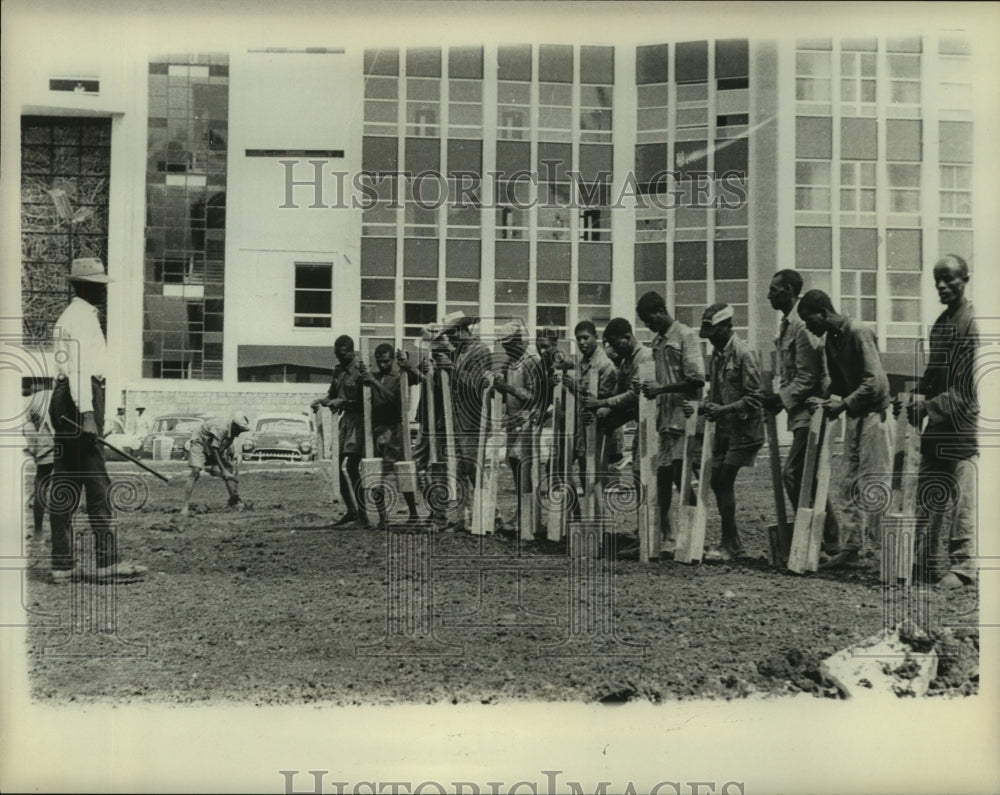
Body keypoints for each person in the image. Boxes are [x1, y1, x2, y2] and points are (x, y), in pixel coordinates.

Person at [48, 257, 147, 583]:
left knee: (66, 480)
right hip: (80, 400)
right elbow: (79, 371)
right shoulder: (81, 318)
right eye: (99, 285)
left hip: (67, 400)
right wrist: (88, 415)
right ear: (84, 286)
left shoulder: (71, 316)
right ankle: (107, 562)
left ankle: (62, 565)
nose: (103, 291)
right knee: (97, 482)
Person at [798, 289, 892, 568]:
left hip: (876, 415)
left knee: (875, 483)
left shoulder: (858, 331)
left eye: (809, 319)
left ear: (823, 313)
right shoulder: (831, 341)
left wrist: (843, 404)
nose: (808, 326)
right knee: (847, 483)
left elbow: (874, 381)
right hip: (855, 416)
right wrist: (825, 400)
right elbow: (839, 384)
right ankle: (850, 549)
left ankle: (887, 552)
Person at [908, 255, 978, 589]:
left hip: (962, 427)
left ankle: (964, 569)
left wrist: (926, 407)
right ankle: (924, 563)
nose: (941, 285)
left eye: (948, 279)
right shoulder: (940, 323)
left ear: (965, 279)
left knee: (963, 499)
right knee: (928, 495)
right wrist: (913, 396)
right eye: (937, 279)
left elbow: (965, 390)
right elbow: (933, 376)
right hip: (937, 426)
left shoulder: (971, 323)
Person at [761, 269, 837, 550]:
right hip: (799, 412)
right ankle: (827, 537)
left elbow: (809, 377)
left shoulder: (802, 326)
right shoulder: (788, 324)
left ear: (790, 290)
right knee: (806, 476)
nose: (769, 295)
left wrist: (780, 400)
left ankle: (825, 537)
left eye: (775, 289)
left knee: (794, 474)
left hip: (812, 411)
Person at [635, 291, 706, 557]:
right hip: (663, 420)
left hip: (683, 417)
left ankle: (693, 537)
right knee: (662, 478)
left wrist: (662, 389)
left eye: (649, 319)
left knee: (682, 477)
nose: (648, 325)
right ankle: (666, 536)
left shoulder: (685, 336)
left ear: (661, 310)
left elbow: (697, 379)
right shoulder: (657, 343)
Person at [692, 304, 764, 561]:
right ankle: (732, 543)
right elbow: (715, 393)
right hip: (724, 430)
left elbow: (755, 398)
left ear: (727, 327)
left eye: (713, 331)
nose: (709, 337)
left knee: (723, 480)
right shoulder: (718, 355)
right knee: (716, 480)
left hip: (745, 429)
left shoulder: (744, 353)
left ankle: (730, 543)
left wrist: (723, 410)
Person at [581, 317, 654, 555]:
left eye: (615, 343)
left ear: (628, 337)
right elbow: (623, 400)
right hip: (639, 422)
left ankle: (652, 535)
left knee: (649, 479)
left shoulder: (643, 357)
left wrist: (602, 403)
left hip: (653, 425)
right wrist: (608, 417)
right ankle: (645, 531)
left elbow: (633, 396)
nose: (613, 348)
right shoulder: (625, 361)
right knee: (637, 477)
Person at [434, 312, 491, 532]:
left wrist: (452, 369)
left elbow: (477, 385)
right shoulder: (458, 352)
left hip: (473, 420)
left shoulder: (480, 351)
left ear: (460, 331)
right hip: (457, 420)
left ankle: (487, 516)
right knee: (458, 469)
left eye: (450, 334)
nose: (449, 339)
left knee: (474, 468)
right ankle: (463, 518)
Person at [559, 320, 618, 520]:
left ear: (596, 338)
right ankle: (582, 518)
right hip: (582, 427)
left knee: (595, 476)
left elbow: (602, 399)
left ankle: (600, 523)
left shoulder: (604, 364)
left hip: (599, 428)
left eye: (586, 338)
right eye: (578, 339)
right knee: (582, 472)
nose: (582, 342)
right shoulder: (583, 361)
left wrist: (576, 388)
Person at [492, 320, 546, 535]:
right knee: (514, 467)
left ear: (519, 341)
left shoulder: (532, 361)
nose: (506, 349)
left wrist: (509, 388)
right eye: (504, 345)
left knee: (526, 470)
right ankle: (522, 513)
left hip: (528, 422)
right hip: (513, 422)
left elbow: (535, 397)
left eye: (509, 344)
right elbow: (506, 396)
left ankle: (530, 517)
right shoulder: (509, 362)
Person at [358, 342, 420, 529]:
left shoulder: (399, 377)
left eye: (385, 361)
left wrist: (374, 382)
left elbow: (394, 399)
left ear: (392, 360)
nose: (382, 365)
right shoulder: (374, 376)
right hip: (376, 430)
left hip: (394, 430)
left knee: (401, 470)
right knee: (373, 472)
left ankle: (414, 513)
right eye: (379, 362)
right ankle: (383, 517)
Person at [311, 335, 366, 526]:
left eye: (342, 354)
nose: (339, 358)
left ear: (352, 351)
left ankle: (363, 514)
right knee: (337, 466)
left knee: (352, 466)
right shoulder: (338, 370)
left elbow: (365, 402)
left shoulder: (361, 370)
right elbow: (332, 394)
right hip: (344, 422)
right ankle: (352, 511)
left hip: (360, 422)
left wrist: (344, 402)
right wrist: (322, 401)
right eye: (336, 354)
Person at [181, 414, 251, 516]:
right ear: (234, 426)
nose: (239, 433)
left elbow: (221, 449)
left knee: (229, 468)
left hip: (212, 445)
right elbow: (214, 449)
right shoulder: (221, 427)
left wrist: (227, 467)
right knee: (195, 472)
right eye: (239, 430)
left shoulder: (232, 431)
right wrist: (222, 470)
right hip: (200, 441)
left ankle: (234, 501)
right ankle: (185, 507)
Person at [23, 402, 55, 539]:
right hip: (57, 456)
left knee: (40, 492)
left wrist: (30, 452)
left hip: (44, 460)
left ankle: (38, 531)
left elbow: (32, 449)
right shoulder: (47, 421)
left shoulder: (29, 426)